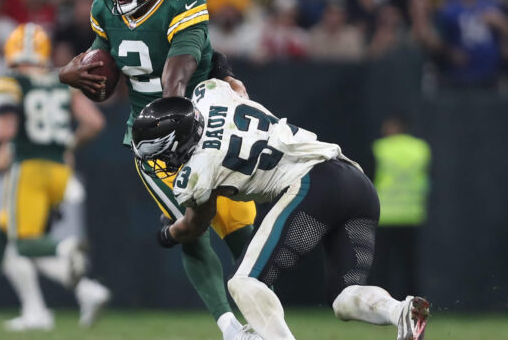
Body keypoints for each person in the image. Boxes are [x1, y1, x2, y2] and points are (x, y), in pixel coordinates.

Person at [130, 79, 430, 340]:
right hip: (356, 181)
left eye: (161, 153)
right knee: (343, 298)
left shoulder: (197, 172)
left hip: (313, 183)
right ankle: (400, 311)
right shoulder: (210, 94)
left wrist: (168, 234)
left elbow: (197, 225)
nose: (163, 161)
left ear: (177, 142)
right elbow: (233, 85)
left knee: (244, 282)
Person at [58, 0, 258, 339]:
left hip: (204, 129)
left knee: (242, 234)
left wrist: (214, 79)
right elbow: (103, 75)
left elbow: (176, 80)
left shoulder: (183, 4)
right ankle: (231, 328)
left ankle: (267, 325)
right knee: (192, 230)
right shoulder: (104, 8)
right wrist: (72, 75)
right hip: (154, 144)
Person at [0, 23, 110, 331]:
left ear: (11, 49)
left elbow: (7, 131)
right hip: (60, 171)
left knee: (24, 245)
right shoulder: (61, 81)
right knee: (2, 236)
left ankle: (66, 253)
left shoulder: (9, 81)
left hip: (29, 170)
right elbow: (93, 122)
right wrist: (67, 145)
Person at [370, 114, 431, 300]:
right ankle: (415, 307)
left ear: (394, 127)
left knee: (381, 268)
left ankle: (379, 305)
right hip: (412, 215)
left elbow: (369, 180)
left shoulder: (380, 149)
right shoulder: (421, 149)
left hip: (385, 215)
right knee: (410, 268)